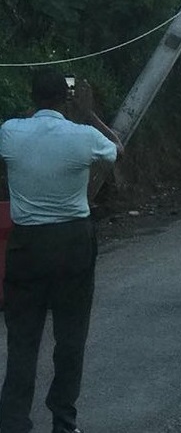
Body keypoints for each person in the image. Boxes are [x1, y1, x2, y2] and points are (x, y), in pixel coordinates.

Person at [0, 71, 124, 433]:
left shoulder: (9, 132)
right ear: (66, 99)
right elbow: (118, 149)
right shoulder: (84, 136)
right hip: (73, 242)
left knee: (22, 337)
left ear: (33, 97)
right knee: (70, 336)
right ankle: (63, 421)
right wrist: (89, 114)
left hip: (27, 244)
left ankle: (12, 421)